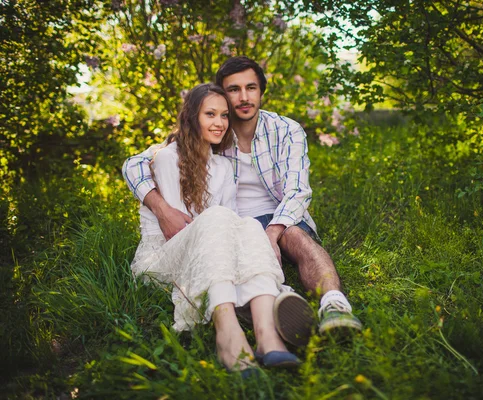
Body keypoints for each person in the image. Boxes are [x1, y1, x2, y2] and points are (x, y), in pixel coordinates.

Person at [123, 57, 362, 339]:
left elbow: (298, 190)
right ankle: (276, 306)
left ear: (261, 91)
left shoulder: (286, 130)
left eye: (251, 87)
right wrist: (162, 209)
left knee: (295, 236)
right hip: (233, 222)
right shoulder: (210, 130)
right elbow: (135, 164)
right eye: (234, 89)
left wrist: (272, 233)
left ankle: (334, 304)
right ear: (222, 94)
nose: (244, 97)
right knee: (230, 257)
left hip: (278, 215)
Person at [129, 83, 301, 374]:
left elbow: (229, 227)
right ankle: (228, 333)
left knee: (247, 224)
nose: (220, 123)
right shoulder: (168, 158)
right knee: (222, 217)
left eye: (224, 116)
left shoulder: (222, 167)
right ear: (192, 117)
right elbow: (177, 231)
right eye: (210, 114)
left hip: (209, 255)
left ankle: (267, 337)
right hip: (163, 259)